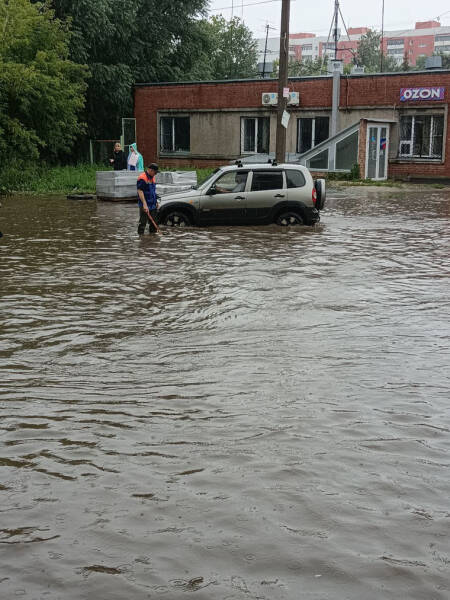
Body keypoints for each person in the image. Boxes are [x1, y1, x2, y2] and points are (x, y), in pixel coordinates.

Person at [137, 163, 159, 234]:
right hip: (145, 204)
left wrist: (156, 201)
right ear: (150, 170)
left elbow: (153, 191)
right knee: (142, 223)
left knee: (154, 223)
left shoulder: (152, 177)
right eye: (155, 172)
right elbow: (140, 191)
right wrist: (144, 204)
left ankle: (152, 240)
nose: (155, 174)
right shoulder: (142, 178)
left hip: (152, 204)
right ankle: (141, 239)